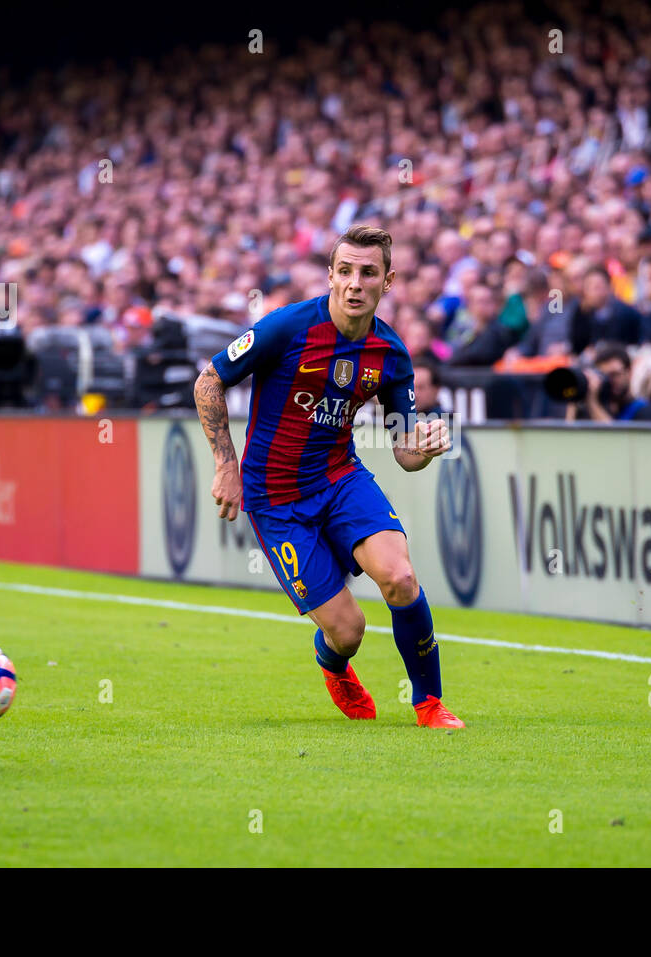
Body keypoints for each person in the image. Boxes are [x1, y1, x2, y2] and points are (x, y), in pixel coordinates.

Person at [193, 224, 464, 729]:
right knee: (349, 631)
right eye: (345, 272)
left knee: (401, 578)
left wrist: (424, 449)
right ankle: (333, 662)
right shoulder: (286, 328)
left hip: (340, 479)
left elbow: (405, 451)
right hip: (275, 499)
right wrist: (226, 466)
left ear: (388, 281)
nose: (355, 283)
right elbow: (209, 381)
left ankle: (429, 704)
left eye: (368, 273)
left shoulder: (391, 354)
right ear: (331, 277)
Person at [566, 342, 651, 423]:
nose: (608, 380)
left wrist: (592, 403)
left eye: (614, 374)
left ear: (629, 372)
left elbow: (615, 441)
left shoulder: (645, 411)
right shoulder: (599, 408)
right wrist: (575, 397)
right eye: (602, 375)